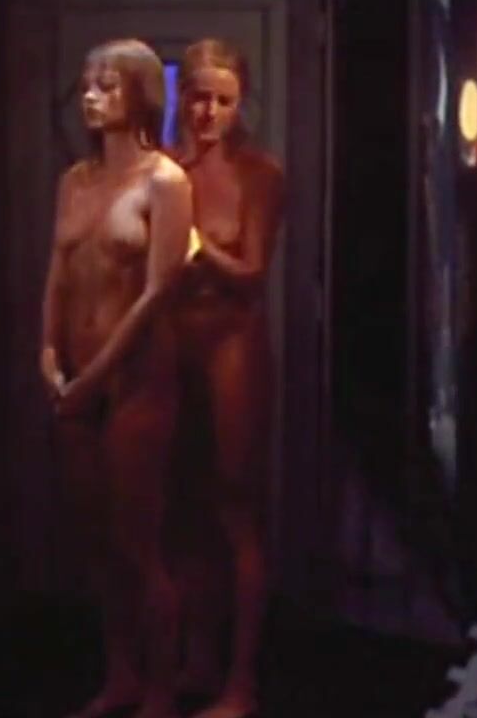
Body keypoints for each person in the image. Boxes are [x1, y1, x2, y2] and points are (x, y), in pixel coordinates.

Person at [40, 38, 193, 718]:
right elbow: (56, 272)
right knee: (97, 541)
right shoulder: (74, 181)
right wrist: (47, 354)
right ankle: (121, 675)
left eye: (107, 85)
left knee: (138, 543)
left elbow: (159, 291)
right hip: (76, 376)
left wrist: (98, 373)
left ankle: (160, 690)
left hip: (136, 379)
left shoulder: (165, 182)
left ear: (140, 93)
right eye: (86, 84)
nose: (91, 96)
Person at [168, 38, 285, 718]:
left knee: (234, 507)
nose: (208, 111)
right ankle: (197, 657)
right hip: (171, 346)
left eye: (223, 100)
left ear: (241, 106)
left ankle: (242, 681)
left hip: (232, 346)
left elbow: (253, 273)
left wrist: (194, 247)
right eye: (199, 97)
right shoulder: (167, 170)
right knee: (181, 509)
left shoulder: (259, 175)